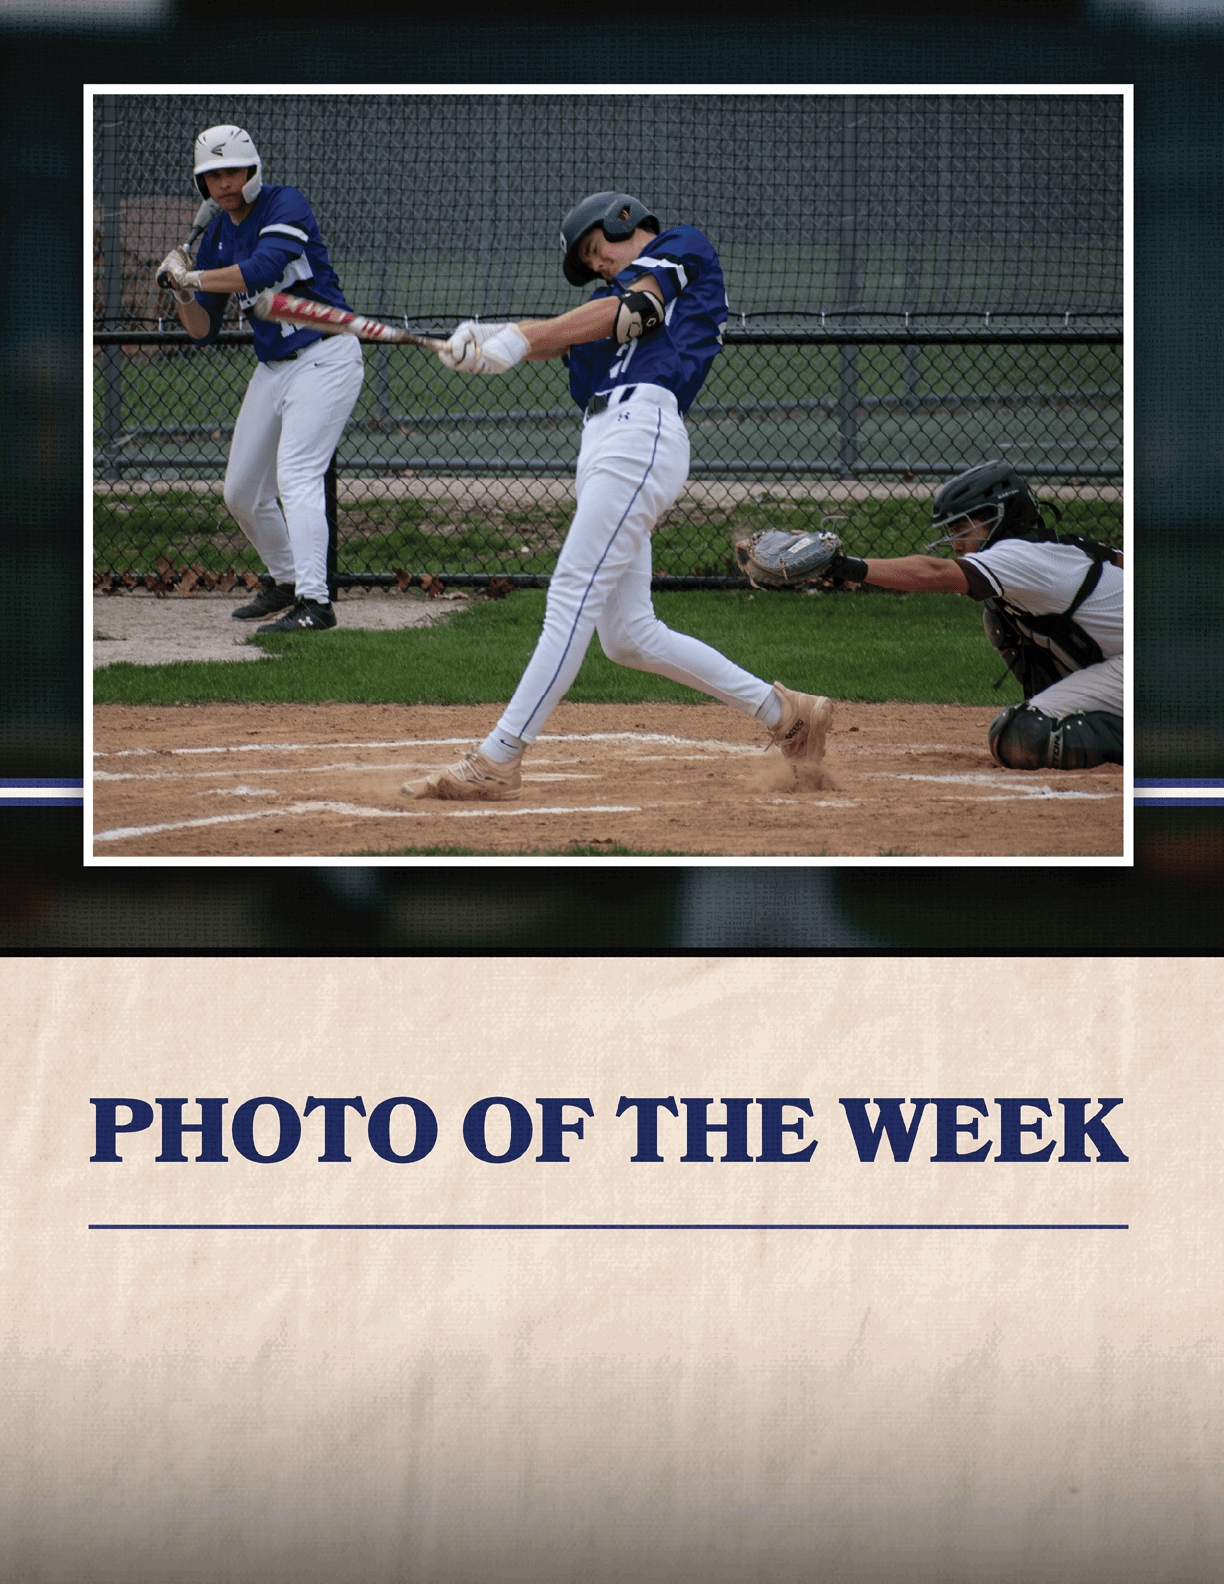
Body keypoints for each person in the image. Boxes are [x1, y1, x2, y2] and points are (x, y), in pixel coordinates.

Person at [402, 189, 832, 802]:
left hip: (642, 433)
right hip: (605, 444)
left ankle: (498, 757)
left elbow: (641, 311)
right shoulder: (603, 304)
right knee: (628, 634)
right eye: (590, 261)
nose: (598, 265)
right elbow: (568, 337)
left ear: (622, 220)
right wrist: (484, 345)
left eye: (595, 249)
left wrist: (519, 338)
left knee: (570, 596)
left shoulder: (680, 247)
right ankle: (788, 715)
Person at [154, 125, 365, 632]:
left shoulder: (285, 204)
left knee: (296, 475)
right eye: (212, 176)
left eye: (232, 171)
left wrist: (194, 277)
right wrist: (181, 292)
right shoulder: (218, 236)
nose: (224, 184)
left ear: (252, 169)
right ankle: (288, 580)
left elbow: (262, 268)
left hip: (326, 356)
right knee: (242, 491)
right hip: (273, 369)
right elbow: (203, 331)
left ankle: (316, 604)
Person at [821, 460, 1123, 769]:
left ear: (999, 517)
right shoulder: (1049, 550)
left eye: (963, 528)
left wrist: (846, 566)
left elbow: (933, 573)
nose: (957, 544)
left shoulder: (1020, 556)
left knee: (1022, 736)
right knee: (998, 617)